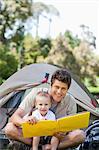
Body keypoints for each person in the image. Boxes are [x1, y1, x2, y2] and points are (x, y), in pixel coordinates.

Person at [5, 69, 86, 149]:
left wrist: (64, 132)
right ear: (51, 85)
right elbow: (14, 117)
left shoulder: (70, 101)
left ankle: (49, 147)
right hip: (34, 136)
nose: (59, 92)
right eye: (57, 87)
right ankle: (39, 147)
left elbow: (74, 127)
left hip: (55, 138)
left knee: (80, 135)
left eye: (63, 89)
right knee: (9, 128)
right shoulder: (36, 94)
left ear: (67, 89)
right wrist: (25, 122)